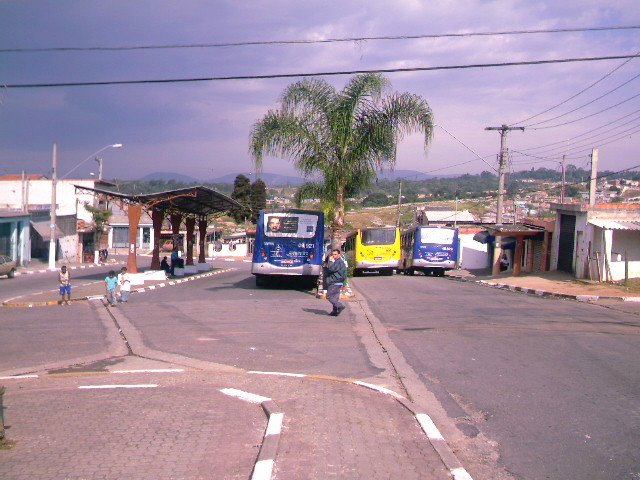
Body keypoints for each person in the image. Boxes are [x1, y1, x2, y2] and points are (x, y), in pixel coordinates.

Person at [325, 248, 347, 316]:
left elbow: (331, 269)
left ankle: (340, 306)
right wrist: (344, 283)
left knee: (329, 296)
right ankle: (335, 312)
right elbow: (345, 273)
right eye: (333, 254)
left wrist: (330, 261)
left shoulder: (338, 262)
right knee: (335, 298)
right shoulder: (340, 262)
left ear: (339, 255)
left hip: (334, 282)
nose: (334, 256)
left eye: (335, 254)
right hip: (338, 282)